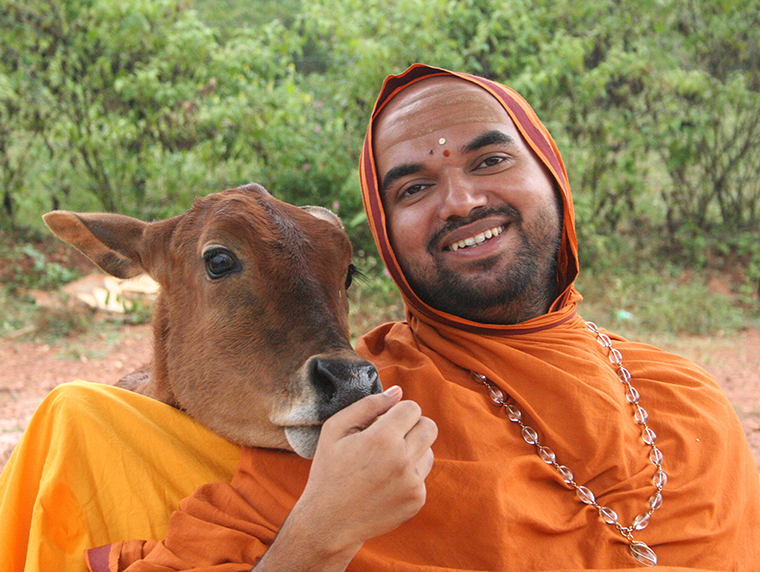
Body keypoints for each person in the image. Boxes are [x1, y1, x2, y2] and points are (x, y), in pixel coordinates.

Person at [1, 64, 759, 572]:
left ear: (553, 175)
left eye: (491, 160)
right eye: (412, 187)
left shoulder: (690, 401)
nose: (461, 200)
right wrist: (316, 535)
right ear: (391, 238)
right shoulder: (350, 427)